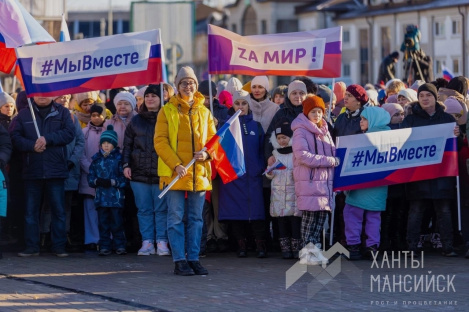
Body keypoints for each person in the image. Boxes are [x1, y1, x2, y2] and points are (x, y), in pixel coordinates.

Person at [154, 66, 216, 276]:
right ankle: (180, 260)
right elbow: (160, 141)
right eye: (184, 83)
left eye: (191, 83)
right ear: (177, 86)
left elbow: (214, 142)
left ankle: (194, 258)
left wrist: (206, 155)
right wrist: (175, 164)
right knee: (175, 217)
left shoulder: (205, 111)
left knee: (197, 219)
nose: (188, 86)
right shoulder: (167, 110)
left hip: (198, 173)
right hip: (175, 174)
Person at [10, 96, 75, 257]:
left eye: (45, 92)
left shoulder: (62, 112)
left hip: (56, 169)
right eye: (38, 93)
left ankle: (59, 246)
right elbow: (15, 138)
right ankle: (32, 247)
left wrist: (48, 139)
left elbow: (69, 133)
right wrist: (32, 146)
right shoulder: (24, 114)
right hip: (32, 169)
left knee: (58, 211)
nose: (42, 96)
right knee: (31, 211)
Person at [401, 83, 461, 257]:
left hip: (441, 175)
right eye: (421, 96)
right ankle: (412, 246)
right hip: (418, 175)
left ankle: (447, 246)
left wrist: (458, 135)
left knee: (443, 211)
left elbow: (454, 148)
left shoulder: (447, 119)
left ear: (435, 98)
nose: (425, 99)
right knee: (416, 211)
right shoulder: (410, 120)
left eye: (428, 95)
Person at [123, 84, 170, 256]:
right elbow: (127, 146)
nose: (150, 99)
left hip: (162, 172)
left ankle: (162, 241)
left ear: (161, 99)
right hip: (139, 173)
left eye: (154, 96)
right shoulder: (136, 120)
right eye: (147, 96)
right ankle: (147, 241)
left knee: (162, 209)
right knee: (143, 210)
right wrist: (126, 165)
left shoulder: (168, 118)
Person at [218, 90, 266, 258]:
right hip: (234, 177)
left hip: (253, 177)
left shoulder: (257, 126)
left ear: (248, 105)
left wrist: (260, 167)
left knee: (257, 213)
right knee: (237, 214)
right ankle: (241, 245)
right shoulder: (225, 126)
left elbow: (263, 150)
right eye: (237, 103)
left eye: (244, 103)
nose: (240, 107)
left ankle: (260, 245)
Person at [292, 96, 339, 264]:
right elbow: (302, 156)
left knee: (320, 219)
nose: (317, 115)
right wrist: (329, 161)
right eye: (313, 112)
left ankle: (315, 250)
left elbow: (333, 152)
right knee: (310, 220)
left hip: (324, 183)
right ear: (306, 112)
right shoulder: (300, 131)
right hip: (309, 182)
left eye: (320, 111)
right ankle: (307, 252)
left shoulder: (325, 130)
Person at [344, 106, 390, 260]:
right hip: (379, 186)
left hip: (359, 185)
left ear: (374, 120)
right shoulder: (393, 137)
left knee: (352, 215)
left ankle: (354, 246)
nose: (361, 122)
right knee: (374, 218)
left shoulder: (363, 138)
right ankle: (372, 247)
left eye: (364, 119)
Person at [332, 84, 369, 246]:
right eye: (345, 95)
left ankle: (360, 241)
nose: (345, 98)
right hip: (342, 166)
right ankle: (343, 240)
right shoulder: (341, 117)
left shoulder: (366, 117)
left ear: (359, 100)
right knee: (342, 207)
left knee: (358, 208)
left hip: (359, 167)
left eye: (350, 96)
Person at [88, 125, 127, 256]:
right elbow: (90, 177)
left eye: (109, 143)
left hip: (116, 198)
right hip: (101, 198)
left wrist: (112, 182)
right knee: (103, 223)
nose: (106, 146)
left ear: (114, 145)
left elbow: (124, 179)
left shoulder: (119, 159)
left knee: (117, 223)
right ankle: (104, 245)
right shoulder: (96, 159)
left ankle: (119, 245)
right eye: (103, 143)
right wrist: (96, 182)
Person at [266, 119, 299, 259]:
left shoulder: (296, 154)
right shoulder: (275, 154)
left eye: (284, 138)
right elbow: (269, 174)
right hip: (278, 195)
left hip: (293, 194)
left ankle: (296, 247)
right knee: (281, 223)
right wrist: (269, 172)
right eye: (279, 138)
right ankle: (285, 248)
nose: (282, 141)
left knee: (295, 221)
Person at [79, 104, 107, 251]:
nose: (96, 118)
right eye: (93, 115)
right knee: (90, 209)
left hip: (107, 176)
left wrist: (106, 170)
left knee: (107, 209)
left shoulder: (109, 131)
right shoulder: (84, 132)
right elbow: (81, 154)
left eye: (99, 115)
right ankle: (91, 239)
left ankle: (106, 238)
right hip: (89, 176)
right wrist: (91, 169)